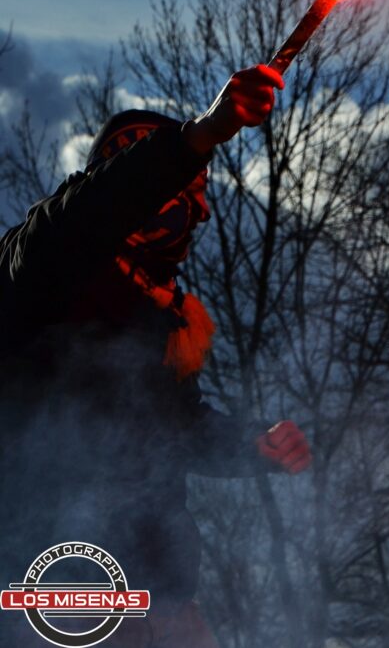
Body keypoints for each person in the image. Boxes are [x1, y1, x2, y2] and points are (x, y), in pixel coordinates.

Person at [0, 66, 312, 647]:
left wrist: (250, 445)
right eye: (185, 194)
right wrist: (201, 136)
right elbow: (92, 210)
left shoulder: (160, 317)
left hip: (159, 598)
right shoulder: (39, 264)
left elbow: (177, 427)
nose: (201, 213)